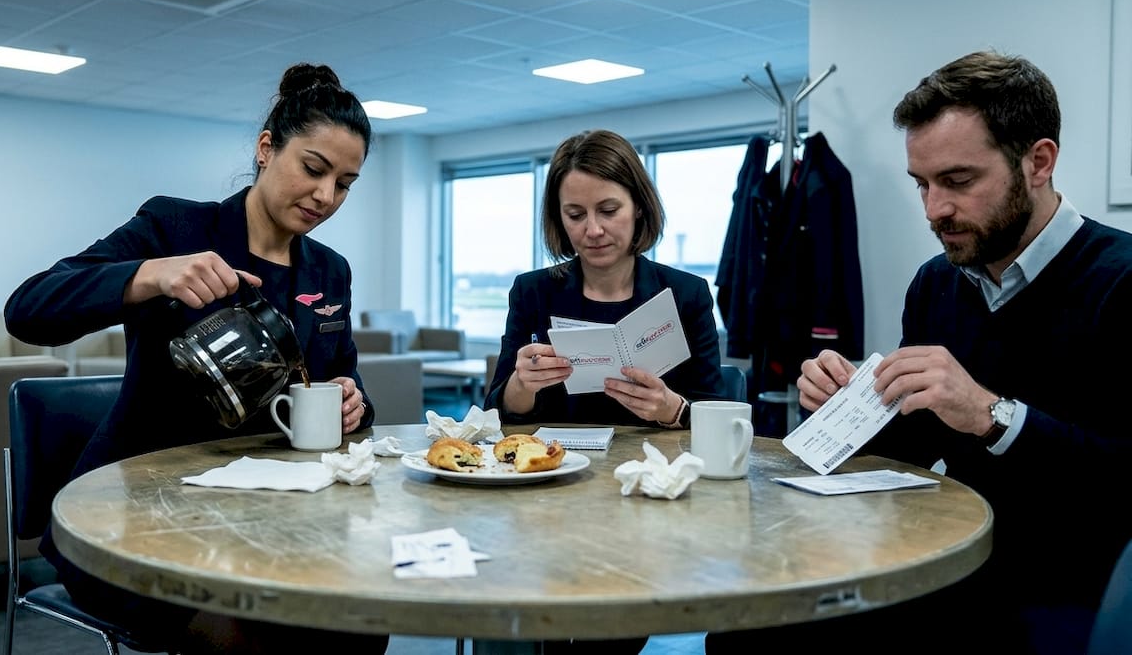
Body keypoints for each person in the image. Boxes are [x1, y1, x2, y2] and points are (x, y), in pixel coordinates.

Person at [714, 51, 1132, 654]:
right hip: (946, 561)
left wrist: (994, 415)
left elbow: (1126, 479)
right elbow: (910, 449)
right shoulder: (937, 283)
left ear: (1038, 162)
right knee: (749, 635)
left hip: (1070, 585)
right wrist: (845, 407)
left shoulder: (1124, 283)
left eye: (959, 181)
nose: (935, 209)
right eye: (922, 184)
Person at [4, 63, 387, 655]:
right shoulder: (175, 226)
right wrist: (149, 274)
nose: (325, 196)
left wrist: (351, 403)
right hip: (135, 516)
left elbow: (345, 383)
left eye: (344, 183)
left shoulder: (329, 270)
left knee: (355, 622)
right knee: (237, 630)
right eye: (313, 169)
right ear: (267, 148)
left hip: (269, 516)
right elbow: (28, 310)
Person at [483, 129, 727, 654]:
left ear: (639, 206)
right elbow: (496, 414)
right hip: (549, 492)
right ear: (558, 218)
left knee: (610, 634)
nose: (592, 230)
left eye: (608, 210)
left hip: (644, 494)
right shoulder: (533, 291)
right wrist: (522, 384)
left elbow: (713, 409)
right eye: (575, 215)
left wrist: (671, 407)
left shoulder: (684, 294)